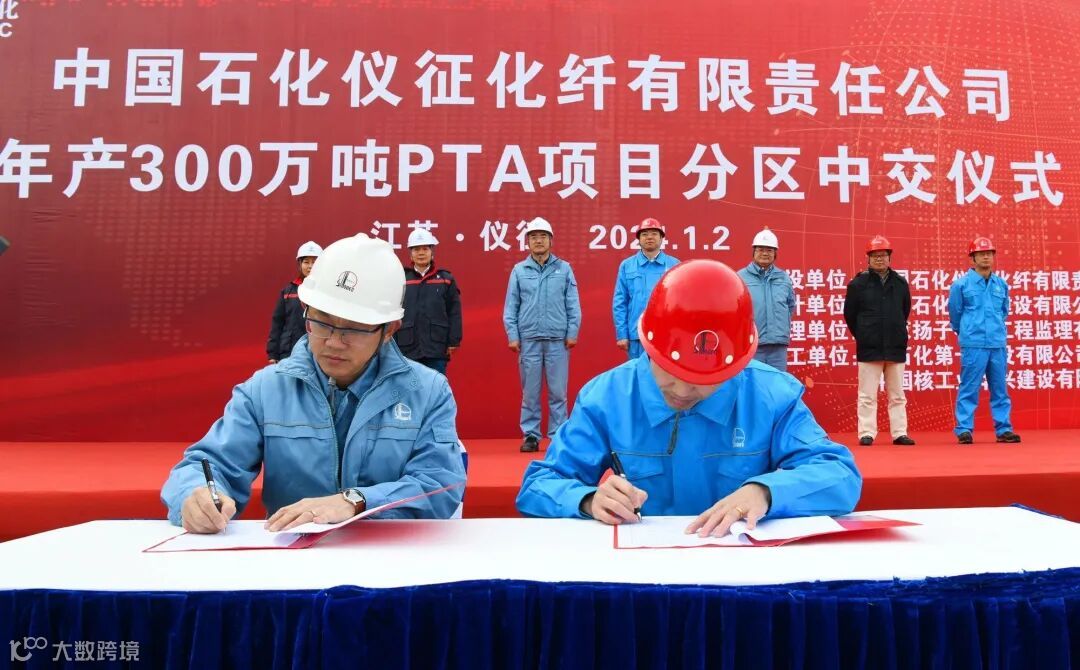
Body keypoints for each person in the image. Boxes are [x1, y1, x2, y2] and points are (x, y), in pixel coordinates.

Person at [516, 259, 862, 537]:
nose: (682, 391)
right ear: (647, 347)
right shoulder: (607, 397)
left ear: (735, 367)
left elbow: (840, 475)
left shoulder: (771, 395)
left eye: (702, 382)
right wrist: (588, 499)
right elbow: (538, 485)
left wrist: (766, 492)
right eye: (668, 373)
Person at [162, 233, 466, 533]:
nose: (333, 342)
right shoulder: (266, 390)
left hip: (390, 556)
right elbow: (208, 464)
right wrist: (195, 495)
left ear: (389, 330)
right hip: (291, 557)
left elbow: (440, 484)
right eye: (321, 322)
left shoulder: (427, 391)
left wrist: (356, 501)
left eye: (353, 329)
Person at [503, 217, 582, 453]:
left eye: (543, 236)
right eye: (534, 237)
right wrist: (512, 335)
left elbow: (573, 304)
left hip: (558, 340)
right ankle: (531, 435)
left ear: (551, 240)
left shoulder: (564, 269)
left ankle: (558, 435)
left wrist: (572, 331)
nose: (539, 241)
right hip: (529, 339)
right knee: (530, 393)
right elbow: (511, 306)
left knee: (558, 392)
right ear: (528, 242)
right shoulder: (519, 270)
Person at [948, 236, 1021, 444]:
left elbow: (1003, 311)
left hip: (997, 343)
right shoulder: (961, 285)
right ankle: (964, 429)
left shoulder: (1001, 284)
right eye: (981, 254)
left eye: (989, 254)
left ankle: (1004, 429)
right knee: (969, 387)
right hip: (974, 344)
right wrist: (967, 331)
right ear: (972, 259)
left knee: (1000, 388)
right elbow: (955, 313)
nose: (986, 257)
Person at [843, 235, 915, 446]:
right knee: (867, 395)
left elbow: (905, 311)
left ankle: (899, 433)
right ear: (868, 258)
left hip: (895, 346)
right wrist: (864, 334)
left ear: (889, 257)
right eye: (875, 255)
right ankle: (867, 432)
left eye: (883, 255)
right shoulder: (858, 284)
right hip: (869, 346)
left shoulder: (900, 283)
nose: (879, 259)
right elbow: (850, 315)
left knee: (897, 395)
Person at [395, 229, 462, 375]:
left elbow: (454, 312)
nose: (421, 253)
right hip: (407, 347)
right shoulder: (401, 278)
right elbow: (394, 311)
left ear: (432, 252)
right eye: (416, 249)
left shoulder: (445, 279)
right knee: (409, 385)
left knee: (435, 386)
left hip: (436, 347)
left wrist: (454, 341)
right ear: (410, 254)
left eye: (425, 249)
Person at [612, 217, 680, 359]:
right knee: (640, 371)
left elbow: (681, 302)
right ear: (638, 239)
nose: (649, 237)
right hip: (637, 334)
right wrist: (622, 334)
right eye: (644, 234)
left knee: (665, 373)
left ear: (661, 238)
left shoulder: (674, 265)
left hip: (667, 335)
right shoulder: (627, 266)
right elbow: (620, 302)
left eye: (654, 233)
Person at [737, 227, 796, 371]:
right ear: (754, 252)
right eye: (760, 249)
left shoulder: (783, 277)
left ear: (775, 253)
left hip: (778, 346)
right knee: (753, 381)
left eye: (769, 250)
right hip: (751, 345)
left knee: (777, 382)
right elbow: (736, 308)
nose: (765, 253)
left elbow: (790, 305)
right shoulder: (740, 277)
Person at [267, 240, 322, 363]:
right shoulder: (288, 291)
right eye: (306, 262)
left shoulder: (327, 291)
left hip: (318, 352)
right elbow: (277, 323)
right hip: (289, 352)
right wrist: (273, 354)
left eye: (314, 262)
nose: (310, 266)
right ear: (300, 264)